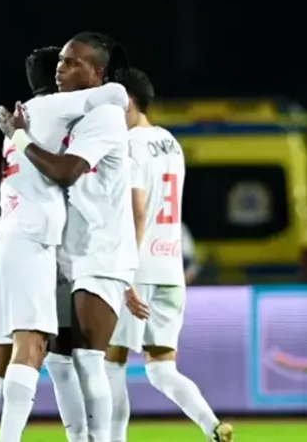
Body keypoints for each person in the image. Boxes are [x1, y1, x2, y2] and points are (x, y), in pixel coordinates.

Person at [0, 31, 143, 442]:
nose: (60, 69)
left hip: (102, 250)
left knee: (88, 359)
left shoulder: (105, 115)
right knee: (59, 360)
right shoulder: (70, 114)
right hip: (65, 250)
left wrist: (18, 136)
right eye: (60, 60)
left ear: (96, 72)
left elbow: (66, 172)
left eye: (72, 62)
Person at [105, 68, 233, 442]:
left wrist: (125, 272)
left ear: (128, 102)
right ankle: (213, 426)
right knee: (161, 369)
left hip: (138, 268)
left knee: (111, 362)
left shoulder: (127, 145)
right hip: (171, 268)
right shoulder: (171, 143)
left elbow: (138, 211)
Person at [0, 45, 92, 442]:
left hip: (4, 238)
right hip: (31, 241)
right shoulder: (55, 108)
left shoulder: (20, 118)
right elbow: (111, 99)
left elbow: (27, 174)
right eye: (67, 64)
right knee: (32, 345)